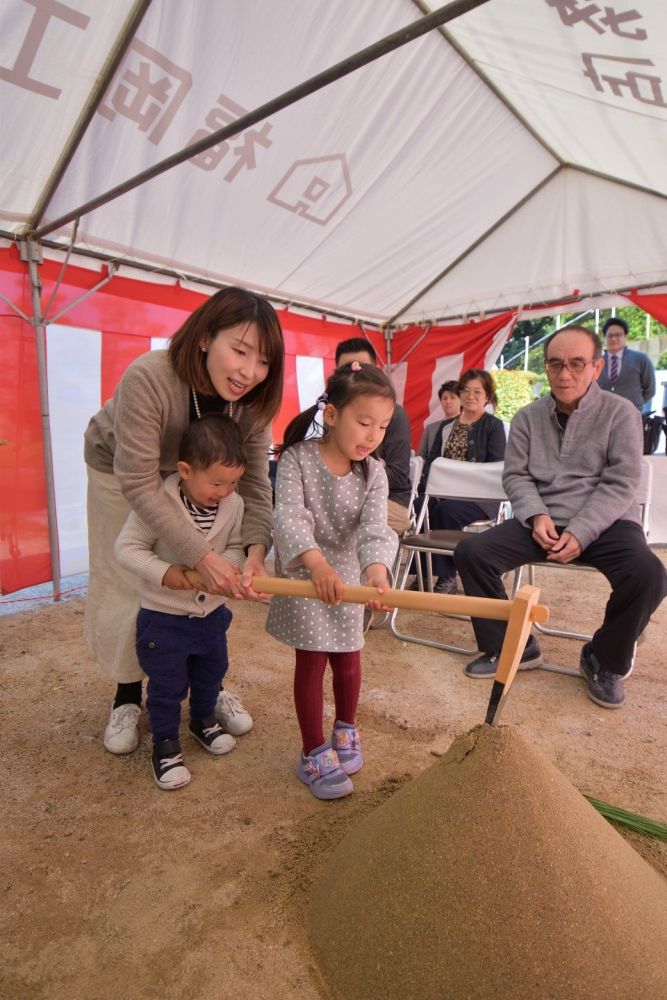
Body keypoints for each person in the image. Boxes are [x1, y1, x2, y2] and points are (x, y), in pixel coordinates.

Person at [84, 286, 284, 755]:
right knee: (130, 575)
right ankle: (128, 693)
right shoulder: (150, 376)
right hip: (121, 467)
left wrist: (255, 552)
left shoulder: (254, 403)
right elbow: (137, 480)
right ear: (203, 338)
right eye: (239, 351)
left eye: (263, 361)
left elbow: (255, 484)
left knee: (208, 574)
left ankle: (205, 689)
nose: (249, 372)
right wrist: (201, 554)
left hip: (198, 473)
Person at [454, 326, 667, 709]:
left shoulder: (621, 413)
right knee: (473, 552)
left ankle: (603, 658)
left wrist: (583, 532)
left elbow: (621, 482)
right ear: (546, 367)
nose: (564, 373)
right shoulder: (527, 417)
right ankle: (512, 646)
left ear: (597, 367)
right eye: (555, 363)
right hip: (543, 518)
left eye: (576, 363)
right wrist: (536, 515)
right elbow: (516, 475)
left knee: (649, 574)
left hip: (609, 521)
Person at [266, 362, 398, 800]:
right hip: (307, 573)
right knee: (313, 660)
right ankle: (311, 750)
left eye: (382, 426)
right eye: (364, 423)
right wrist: (316, 564)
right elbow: (288, 516)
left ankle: (345, 728)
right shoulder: (297, 460)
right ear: (333, 415)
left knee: (349, 658)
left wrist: (376, 570)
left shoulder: (373, 472)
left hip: (347, 578)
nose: (372, 436)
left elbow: (376, 528)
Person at [114, 414, 246, 790]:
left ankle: (203, 720)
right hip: (164, 618)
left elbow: (235, 547)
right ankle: (166, 744)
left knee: (212, 671)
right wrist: (164, 572)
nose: (224, 491)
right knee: (166, 685)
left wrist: (227, 570)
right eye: (217, 482)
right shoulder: (158, 501)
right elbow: (126, 548)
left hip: (211, 616)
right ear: (186, 470)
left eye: (233, 482)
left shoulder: (233, 505)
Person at [412, 369, 506, 594]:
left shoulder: (493, 426)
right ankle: (423, 572)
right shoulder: (447, 426)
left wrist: (460, 474)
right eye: (465, 390)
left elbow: (496, 466)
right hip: (443, 492)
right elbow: (433, 463)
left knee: (446, 511)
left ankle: (447, 577)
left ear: (487, 396)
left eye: (477, 391)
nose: (470, 396)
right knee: (417, 508)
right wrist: (424, 491)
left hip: (480, 497)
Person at [335, 338, 412, 535]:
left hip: (390, 499)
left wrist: (346, 480)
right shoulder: (329, 412)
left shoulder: (395, 414)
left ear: (375, 370)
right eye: (347, 370)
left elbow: (398, 476)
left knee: (336, 513)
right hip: (339, 495)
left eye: (362, 368)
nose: (356, 376)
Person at [597, 317, 655, 412]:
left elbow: (650, 389)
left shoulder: (640, 359)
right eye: (610, 335)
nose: (614, 338)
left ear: (626, 336)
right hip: (603, 413)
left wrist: (637, 403)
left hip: (632, 413)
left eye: (618, 335)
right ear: (604, 338)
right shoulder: (597, 361)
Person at [418, 380, 461, 461]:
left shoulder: (467, 427)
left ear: (461, 400)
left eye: (452, 397)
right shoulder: (430, 428)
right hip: (429, 472)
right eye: (444, 398)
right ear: (441, 401)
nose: (448, 401)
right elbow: (420, 457)